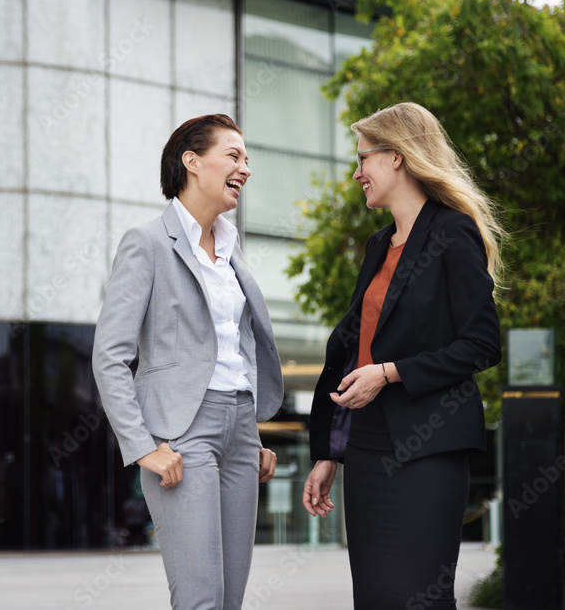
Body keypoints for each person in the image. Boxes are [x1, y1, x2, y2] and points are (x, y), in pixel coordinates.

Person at [301, 102, 505, 609]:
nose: (357, 173)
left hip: (430, 446)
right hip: (367, 445)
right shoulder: (377, 246)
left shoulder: (454, 232)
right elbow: (355, 352)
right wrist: (329, 451)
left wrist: (390, 374)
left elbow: (481, 344)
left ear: (397, 157)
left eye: (363, 158)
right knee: (374, 597)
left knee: (419, 597)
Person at [93, 114, 285, 610]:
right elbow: (110, 356)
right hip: (182, 435)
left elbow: (233, 349)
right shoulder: (148, 243)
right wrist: (141, 448)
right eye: (235, 155)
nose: (246, 167)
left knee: (230, 599)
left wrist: (254, 432)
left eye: (247, 158)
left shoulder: (231, 251)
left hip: (240, 430)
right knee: (201, 596)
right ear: (192, 162)